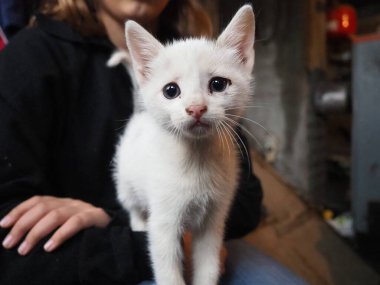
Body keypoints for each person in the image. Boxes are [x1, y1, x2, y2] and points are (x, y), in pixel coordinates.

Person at [0, 0, 307, 284]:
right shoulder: (32, 58)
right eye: (172, 91)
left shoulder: (200, 51)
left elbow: (246, 198)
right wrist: (130, 232)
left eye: (216, 85)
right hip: (82, 258)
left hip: (191, 246)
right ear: (143, 69)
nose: (196, 105)